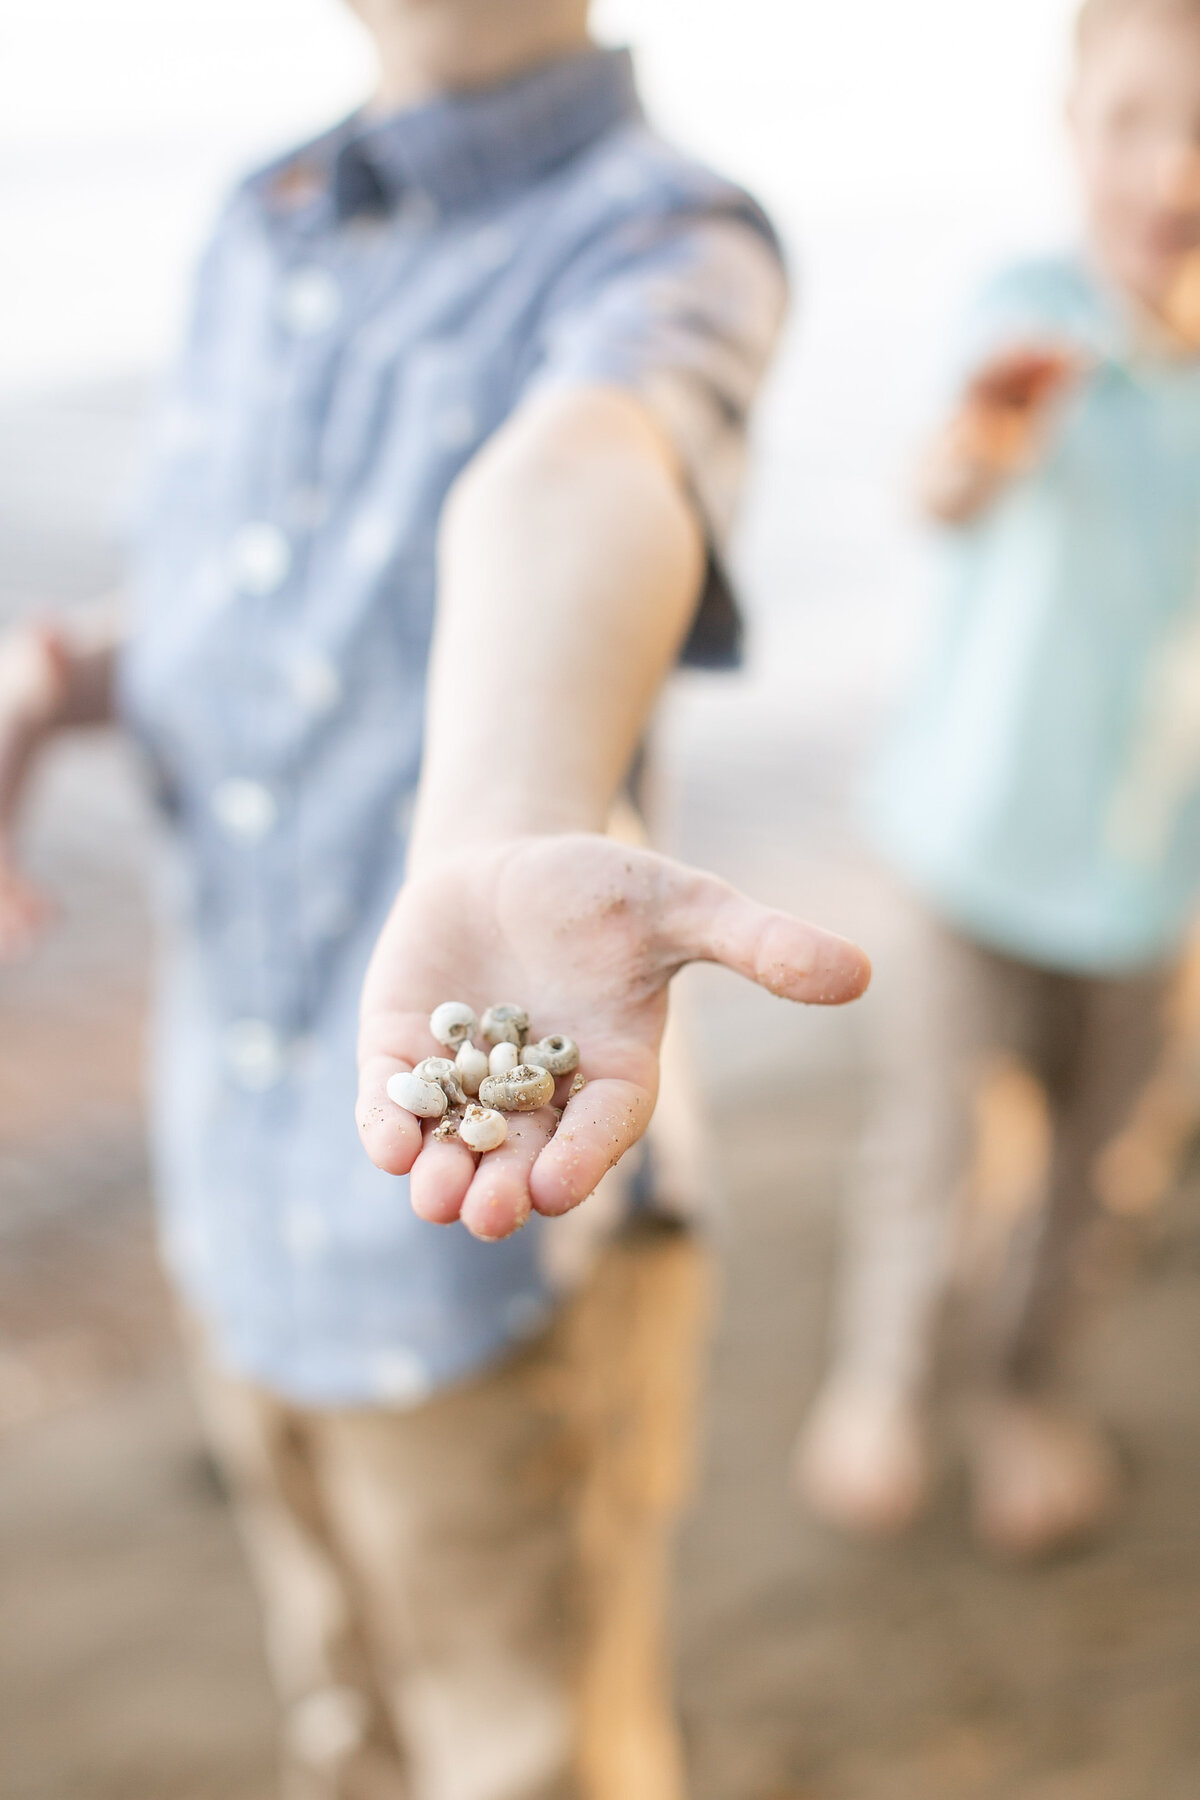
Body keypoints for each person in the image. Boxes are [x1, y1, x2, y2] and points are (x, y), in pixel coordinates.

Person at [0, 3, 870, 1795]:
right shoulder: (265, 216)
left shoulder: (667, 236)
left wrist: (502, 815)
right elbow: (254, 620)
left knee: (528, 1744)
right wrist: (67, 674)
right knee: (341, 1694)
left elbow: (581, 470)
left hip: (477, 1260)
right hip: (232, 1172)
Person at [796, 0, 1200, 1561]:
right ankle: (883, 1381)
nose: (1173, 165)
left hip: (1156, 871)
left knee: (1100, 1175)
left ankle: (1025, 1395)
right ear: (1069, 125)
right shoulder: (1029, 315)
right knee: (938, 1148)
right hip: (968, 840)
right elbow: (948, 481)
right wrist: (980, 443)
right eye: (1134, 122)